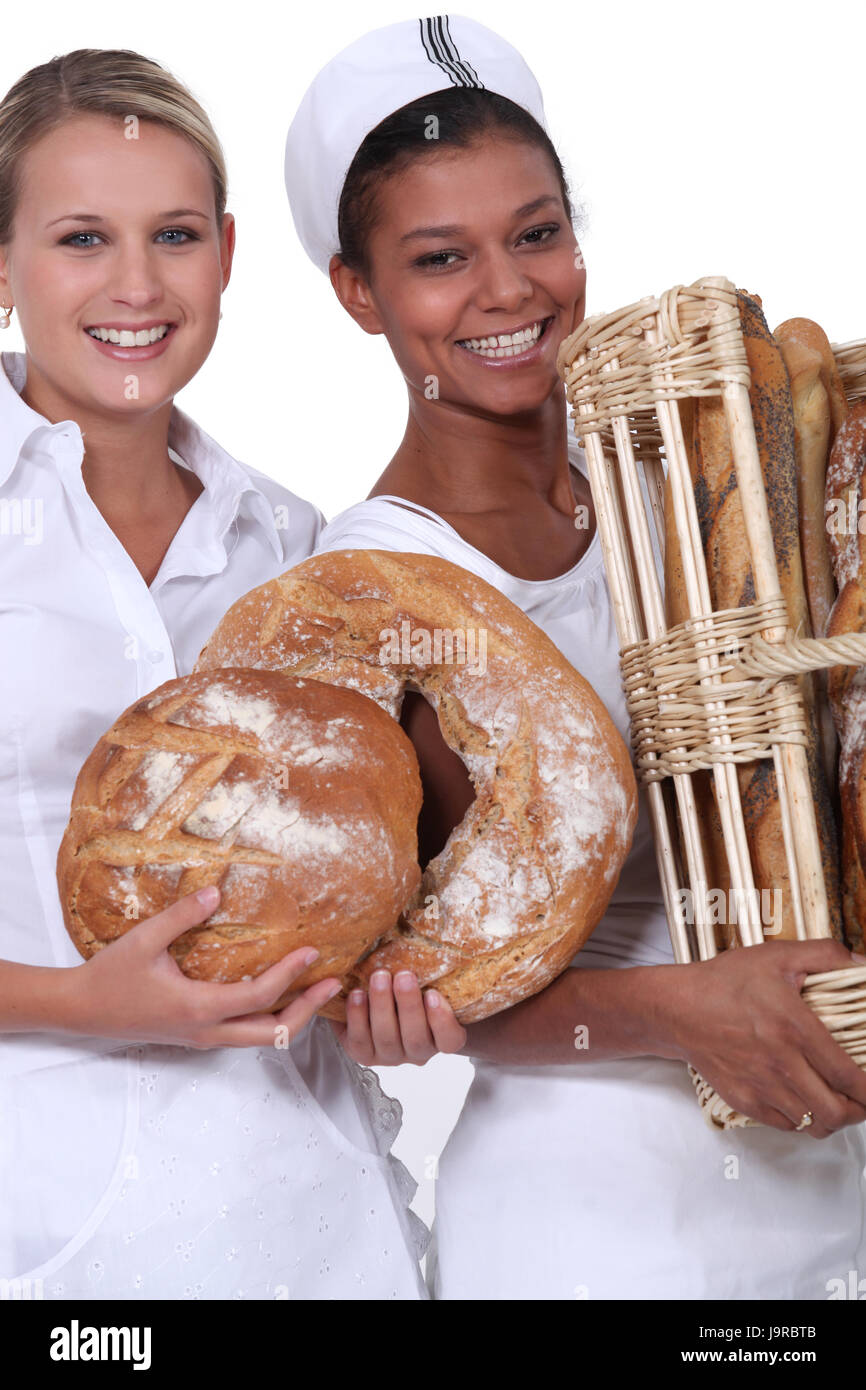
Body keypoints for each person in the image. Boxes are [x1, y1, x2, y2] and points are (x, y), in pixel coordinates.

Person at [284, 15, 866, 1299]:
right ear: (356, 290)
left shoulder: (693, 494)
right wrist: (680, 1012)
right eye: (439, 258)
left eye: (536, 233)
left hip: (828, 1157)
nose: (506, 292)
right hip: (601, 1216)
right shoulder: (368, 594)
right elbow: (392, 986)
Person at [0, 47, 463, 1301]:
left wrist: (395, 996)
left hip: (323, 1216)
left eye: (177, 234)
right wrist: (78, 1000)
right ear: (1, 260)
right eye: (83, 237)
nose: (138, 284)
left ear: (229, 253)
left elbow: (366, 873)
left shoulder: (294, 546)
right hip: (59, 1229)